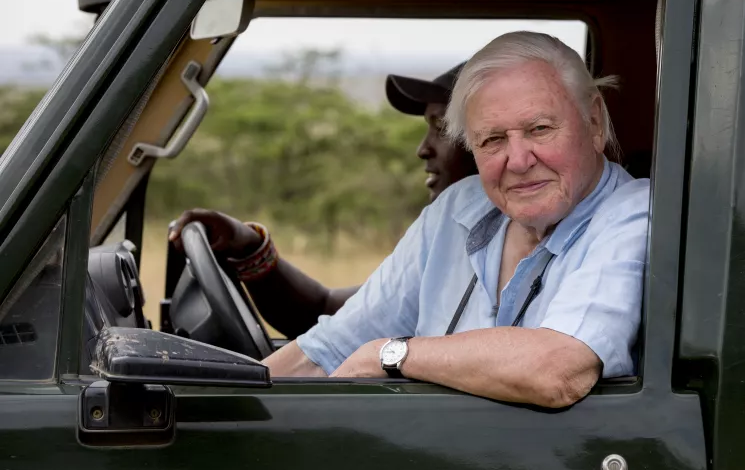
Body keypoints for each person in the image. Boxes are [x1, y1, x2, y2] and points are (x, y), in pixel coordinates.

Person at [262, 31, 650, 409]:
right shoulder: (459, 206)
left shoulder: (634, 213)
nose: (518, 161)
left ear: (594, 123)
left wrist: (392, 354)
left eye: (540, 129)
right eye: (493, 140)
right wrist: (225, 407)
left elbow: (558, 370)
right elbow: (330, 349)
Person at [169, 64, 478, 338]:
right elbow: (327, 313)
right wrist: (250, 246)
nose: (423, 149)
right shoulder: (443, 249)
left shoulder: (505, 266)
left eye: (441, 128)